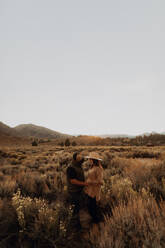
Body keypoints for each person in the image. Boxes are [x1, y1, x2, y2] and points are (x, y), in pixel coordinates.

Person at [66, 152, 88, 230]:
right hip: (73, 192)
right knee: (75, 209)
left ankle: (77, 224)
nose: (82, 161)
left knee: (78, 207)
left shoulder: (78, 165)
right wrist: (85, 184)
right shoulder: (71, 168)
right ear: (75, 160)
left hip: (78, 190)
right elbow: (73, 181)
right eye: (80, 160)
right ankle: (75, 227)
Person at [84, 152, 104, 223]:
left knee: (93, 207)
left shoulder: (99, 169)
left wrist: (91, 182)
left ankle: (97, 222)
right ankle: (94, 220)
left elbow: (101, 182)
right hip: (90, 190)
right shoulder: (92, 167)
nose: (89, 160)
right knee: (90, 206)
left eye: (90, 159)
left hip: (95, 190)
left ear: (93, 160)